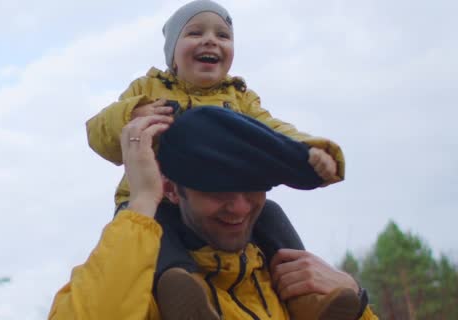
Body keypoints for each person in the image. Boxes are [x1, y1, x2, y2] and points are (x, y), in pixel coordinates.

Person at [86, 1, 351, 319]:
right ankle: (179, 290)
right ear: (172, 55)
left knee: (272, 213)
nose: (210, 40)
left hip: (215, 206)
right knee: (150, 227)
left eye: (223, 35)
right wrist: (130, 114)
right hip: (152, 198)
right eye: (195, 32)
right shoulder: (148, 89)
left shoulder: (240, 98)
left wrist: (310, 149)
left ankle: (306, 297)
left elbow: (273, 130)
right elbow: (98, 134)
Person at [49, 109, 377, 319]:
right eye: (217, 192)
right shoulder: (144, 294)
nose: (240, 207)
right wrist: (143, 202)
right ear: (172, 190)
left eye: (252, 188)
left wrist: (354, 298)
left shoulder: (294, 283)